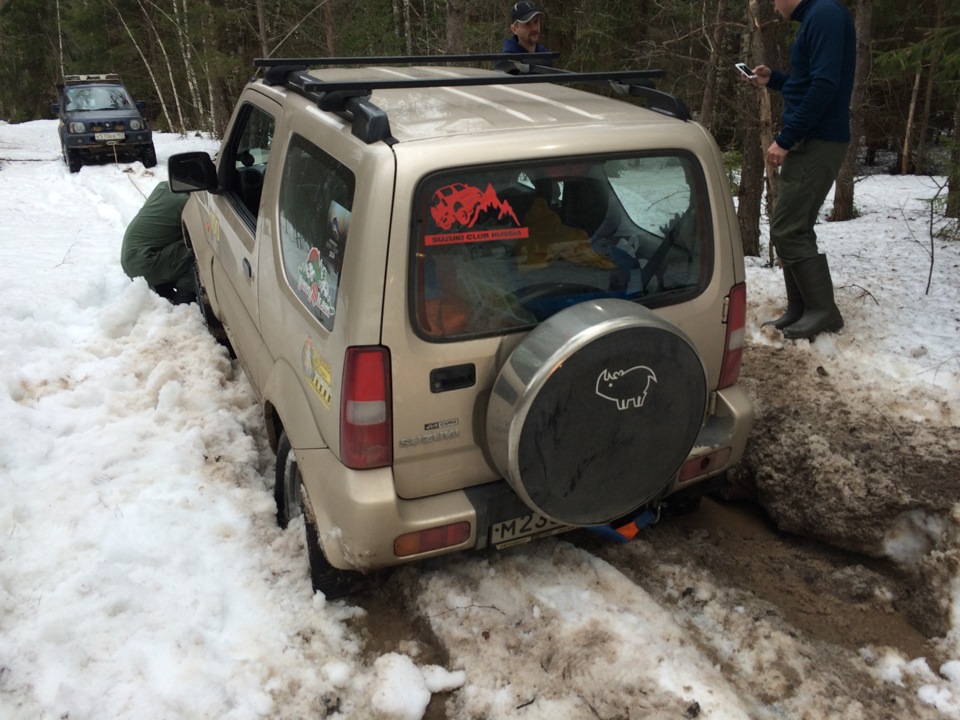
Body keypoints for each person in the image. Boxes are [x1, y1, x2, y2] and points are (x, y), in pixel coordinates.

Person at [746, 0, 855, 340]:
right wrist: (774, 80)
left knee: (788, 228)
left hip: (817, 140)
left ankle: (823, 312)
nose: (773, 4)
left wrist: (786, 138)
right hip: (810, 138)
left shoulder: (824, 15)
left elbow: (825, 86)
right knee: (792, 228)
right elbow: (811, 81)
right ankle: (802, 308)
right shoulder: (817, 18)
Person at [120, 181, 196, 304]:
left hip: (130, 259)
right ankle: (184, 302)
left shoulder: (163, 187)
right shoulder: (187, 203)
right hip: (146, 262)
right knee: (197, 248)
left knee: (176, 245)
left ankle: (162, 288)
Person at [499, 2, 552, 68]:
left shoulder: (545, 56)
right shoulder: (507, 62)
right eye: (527, 24)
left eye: (536, 22)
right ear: (514, 29)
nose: (534, 28)